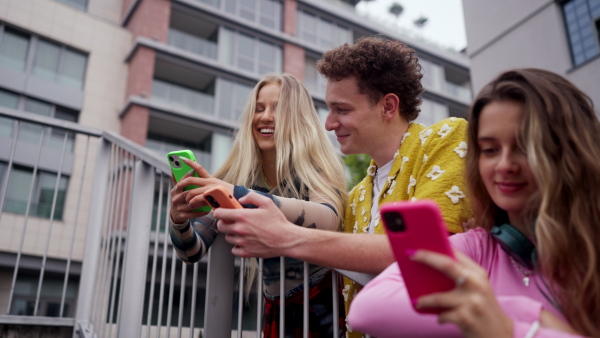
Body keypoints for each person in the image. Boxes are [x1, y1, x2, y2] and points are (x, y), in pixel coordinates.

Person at [214, 36, 472, 337]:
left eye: (342, 110)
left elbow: (428, 253)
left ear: (388, 106)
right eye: (329, 109)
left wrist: (285, 236)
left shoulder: (446, 138)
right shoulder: (357, 195)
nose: (328, 123)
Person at [346, 68, 600, 337]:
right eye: (490, 150)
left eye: (525, 146)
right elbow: (367, 310)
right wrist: (529, 317)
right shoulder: (478, 246)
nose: (504, 165)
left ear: (569, 152)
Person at [168, 73, 348, 337]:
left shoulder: (314, 169)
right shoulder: (234, 177)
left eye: (278, 109)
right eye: (259, 108)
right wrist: (178, 220)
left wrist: (238, 194)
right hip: (274, 308)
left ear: (298, 119)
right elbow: (191, 252)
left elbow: (329, 218)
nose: (265, 117)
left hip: (324, 302)